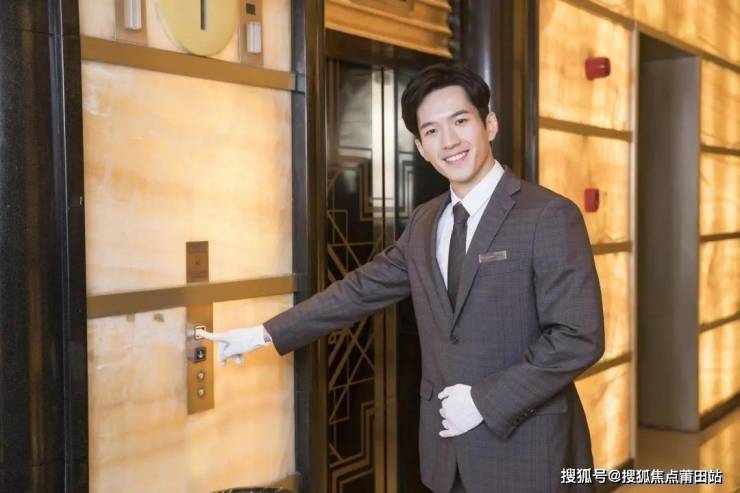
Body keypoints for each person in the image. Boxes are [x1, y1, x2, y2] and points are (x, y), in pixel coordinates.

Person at [199, 63, 604, 493]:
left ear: (489, 124)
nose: (449, 141)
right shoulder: (427, 221)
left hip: (529, 451)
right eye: (432, 131)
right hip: (448, 455)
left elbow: (579, 337)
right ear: (421, 147)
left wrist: (483, 401)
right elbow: (359, 290)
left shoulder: (547, 215)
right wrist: (263, 334)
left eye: (460, 122)